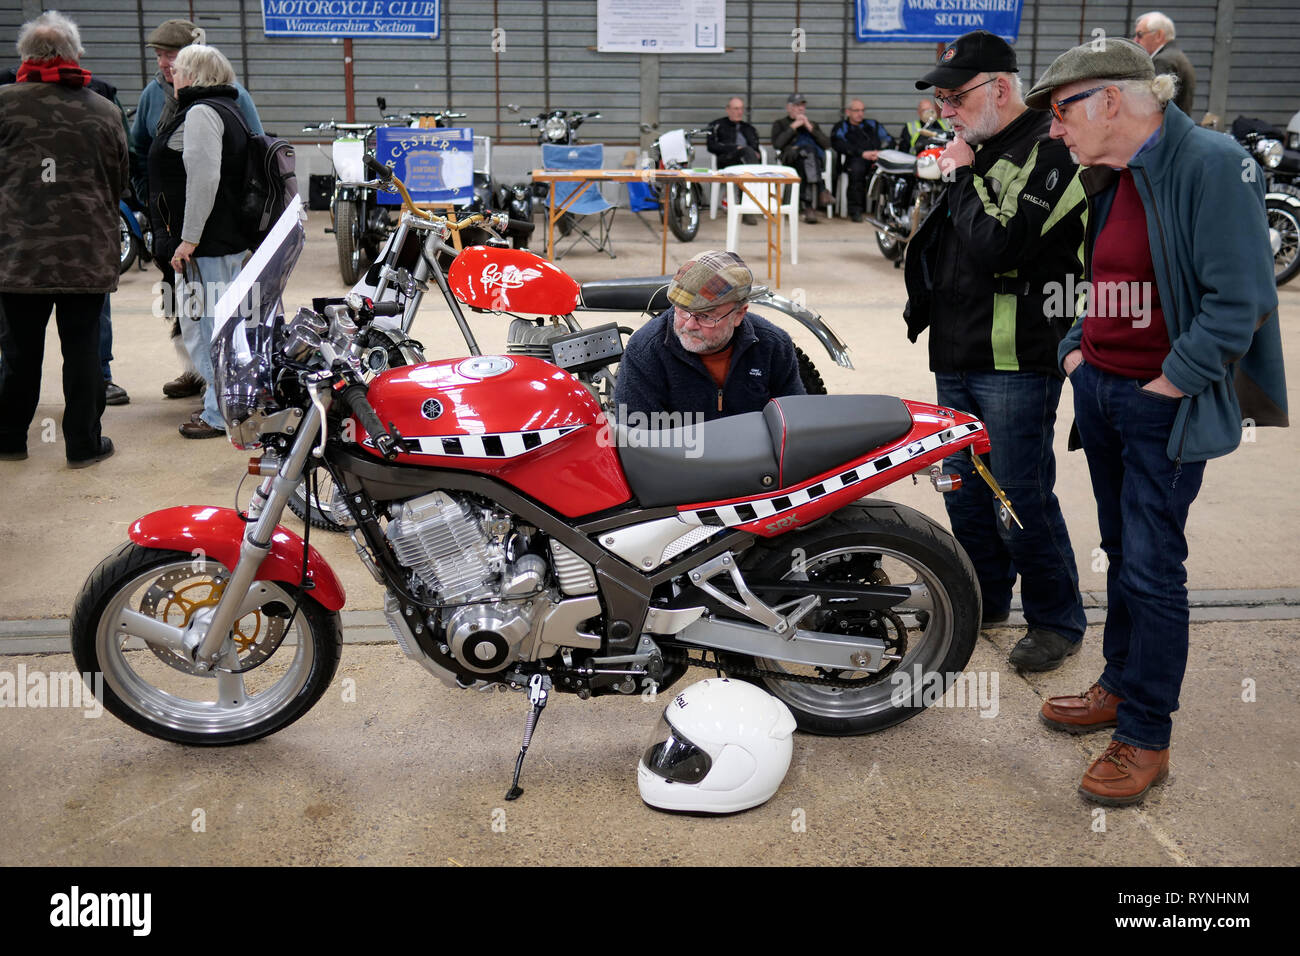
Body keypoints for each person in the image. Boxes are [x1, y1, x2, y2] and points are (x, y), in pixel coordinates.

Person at [1026, 40, 1286, 804]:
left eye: (1060, 110)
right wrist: (1079, 350)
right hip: (1103, 389)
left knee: (1151, 565)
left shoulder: (1210, 164)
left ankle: (1144, 734)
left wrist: (1166, 387)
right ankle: (1117, 682)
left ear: (1111, 100)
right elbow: (1101, 277)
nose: (1052, 129)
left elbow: (1240, 302)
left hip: (1158, 403)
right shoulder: (1112, 172)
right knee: (1119, 550)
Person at [904, 30, 1089, 672]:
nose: (946, 110)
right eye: (943, 99)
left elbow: (1001, 248)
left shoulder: (1049, 149)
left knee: (1019, 494)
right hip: (956, 350)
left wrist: (962, 174)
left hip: (1016, 360)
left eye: (955, 97)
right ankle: (985, 596)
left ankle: (1057, 620)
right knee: (962, 488)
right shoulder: (978, 151)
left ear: (1000, 88)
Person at [0, 12, 126, 468]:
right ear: (74, 55)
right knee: (82, 352)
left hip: (17, 259)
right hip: (85, 258)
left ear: (25, 55)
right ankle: (83, 444)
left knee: (18, 351)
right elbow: (119, 181)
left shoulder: (3, 104)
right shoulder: (104, 110)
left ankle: (10, 437)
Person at [131, 18, 262, 403]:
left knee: (208, 318)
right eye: (160, 56)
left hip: (204, 234)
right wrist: (149, 197)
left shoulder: (213, 106)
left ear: (194, 66)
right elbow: (139, 149)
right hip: (182, 229)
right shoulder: (158, 95)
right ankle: (202, 377)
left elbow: (216, 171)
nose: (166, 65)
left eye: (173, 57)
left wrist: (189, 237)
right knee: (188, 310)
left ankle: (221, 399)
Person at [148, 43, 252, 439]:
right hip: (224, 240)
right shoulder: (229, 108)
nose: (170, 74)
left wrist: (187, 239)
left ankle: (218, 412)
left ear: (193, 75)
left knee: (207, 328)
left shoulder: (202, 113)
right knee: (217, 325)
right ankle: (230, 404)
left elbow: (204, 179)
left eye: (176, 69)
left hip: (208, 244)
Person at [614, 250, 805, 422]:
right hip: (678, 459)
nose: (689, 325)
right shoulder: (645, 351)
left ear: (739, 314)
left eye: (705, 316)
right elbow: (637, 441)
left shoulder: (774, 345)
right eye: (681, 310)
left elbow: (795, 423)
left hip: (754, 458)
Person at [772, 94, 833, 224]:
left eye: (802, 106)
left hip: (810, 162)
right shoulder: (780, 124)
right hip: (791, 160)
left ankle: (808, 206)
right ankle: (821, 190)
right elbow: (777, 144)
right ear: (789, 108)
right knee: (807, 152)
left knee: (806, 158)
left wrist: (809, 127)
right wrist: (793, 127)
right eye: (796, 106)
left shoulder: (812, 125)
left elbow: (827, 144)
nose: (800, 109)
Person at [831, 99, 894, 222]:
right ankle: (855, 211)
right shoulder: (842, 127)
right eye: (856, 110)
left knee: (889, 174)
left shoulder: (873, 124)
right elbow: (838, 144)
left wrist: (881, 152)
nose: (860, 113)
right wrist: (861, 153)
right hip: (855, 160)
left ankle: (886, 211)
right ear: (848, 112)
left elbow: (889, 139)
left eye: (862, 110)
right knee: (856, 171)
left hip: (876, 159)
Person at [1133, 11, 1195, 116]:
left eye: (1140, 35)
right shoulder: (1176, 56)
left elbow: (1154, 106)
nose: (1135, 40)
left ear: (1158, 35)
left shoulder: (1163, 61)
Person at [706, 96, 761, 168]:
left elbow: (755, 145)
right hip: (727, 159)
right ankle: (754, 177)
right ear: (728, 110)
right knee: (747, 151)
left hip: (748, 158)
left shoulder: (749, 128)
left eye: (741, 108)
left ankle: (753, 175)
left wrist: (755, 152)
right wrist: (735, 148)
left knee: (749, 151)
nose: (740, 112)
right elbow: (711, 146)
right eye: (736, 109)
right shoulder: (716, 126)